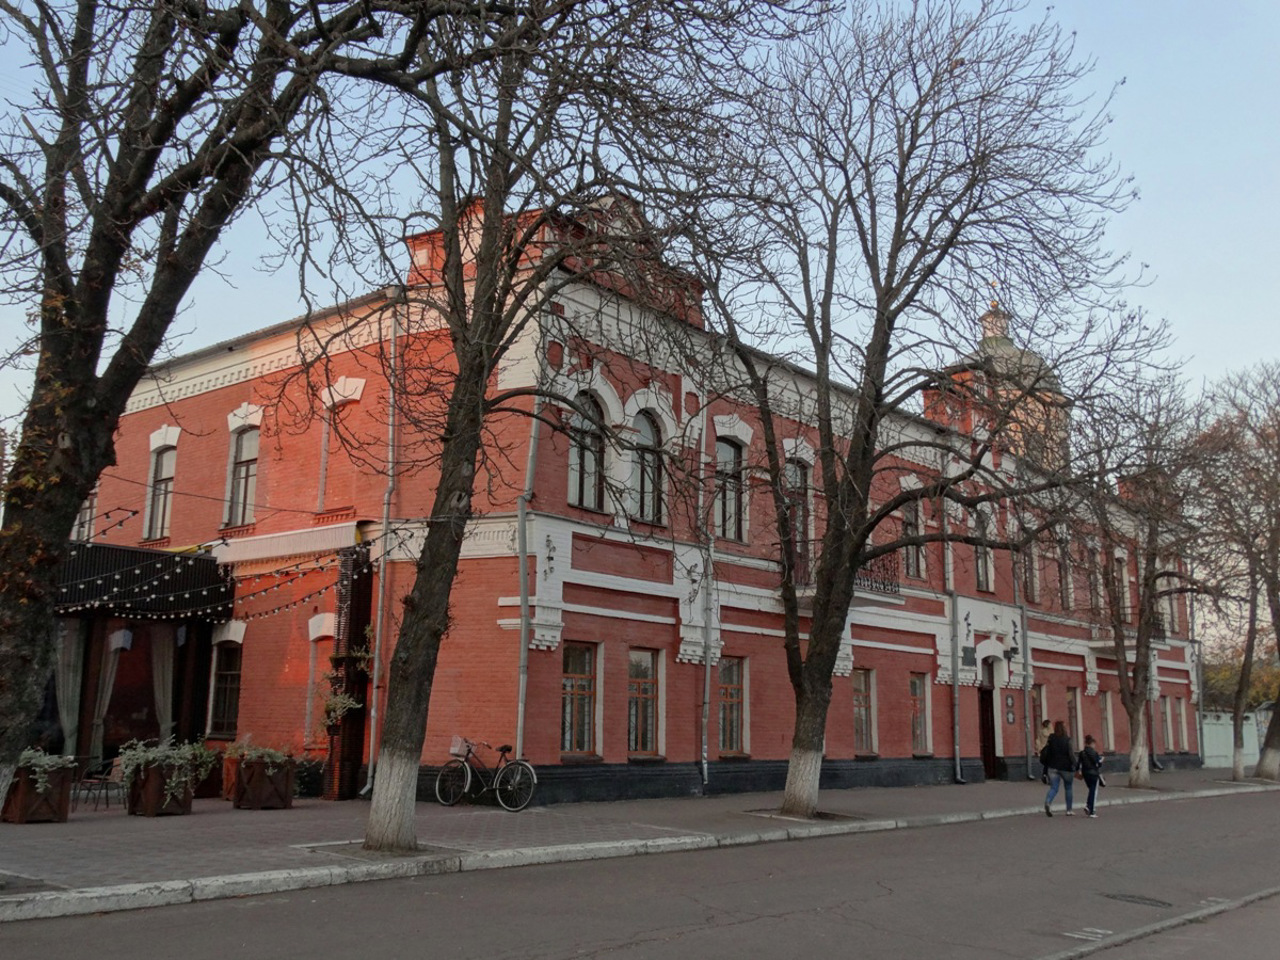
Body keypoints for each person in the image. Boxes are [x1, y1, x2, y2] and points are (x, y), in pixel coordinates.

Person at [1041, 720, 1075, 817]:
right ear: (1064, 728)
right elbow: (1071, 755)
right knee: (1068, 788)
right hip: (1066, 768)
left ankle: (1048, 802)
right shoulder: (1067, 740)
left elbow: (1047, 753)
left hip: (1052, 767)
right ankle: (1069, 810)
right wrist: (1076, 766)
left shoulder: (1051, 738)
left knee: (1054, 788)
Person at [1078, 734, 1104, 818]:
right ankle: (1092, 811)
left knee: (1091, 790)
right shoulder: (1094, 753)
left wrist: (1079, 772)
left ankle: (1088, 806)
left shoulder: (1082, 753)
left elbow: (1078, 764)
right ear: (1091, 743)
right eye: (1094, 744)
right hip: (1093, 774)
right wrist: (1101, 761)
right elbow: (1097, 764)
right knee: (1094, 791)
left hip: (1085, 774)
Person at [1034, 719, 1052, 784]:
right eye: (1050, 724)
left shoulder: (1040, 732)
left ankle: (1044, 775)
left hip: (1043, 750)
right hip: (1049, 750)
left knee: (1046, 764)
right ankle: (1050, 778)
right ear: (1048, 725)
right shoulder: (1050, 733)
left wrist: (1038, 750)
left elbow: (1037, 741)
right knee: (1050, 764)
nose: (1051, 725)